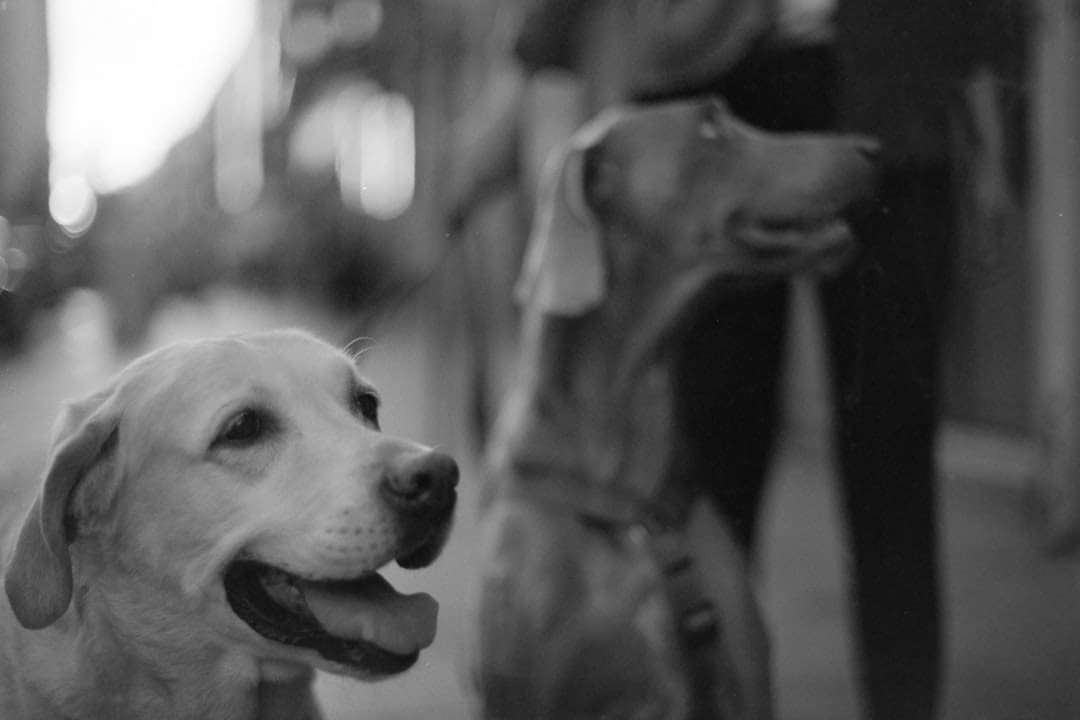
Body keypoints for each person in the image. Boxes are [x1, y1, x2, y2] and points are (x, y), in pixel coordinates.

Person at [509, 1, 1017, 719]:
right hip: (713, 105)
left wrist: (987, 126)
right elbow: (547, 38)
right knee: (706, 473)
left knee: (894, 457)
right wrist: (530, 77)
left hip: (894, 99)